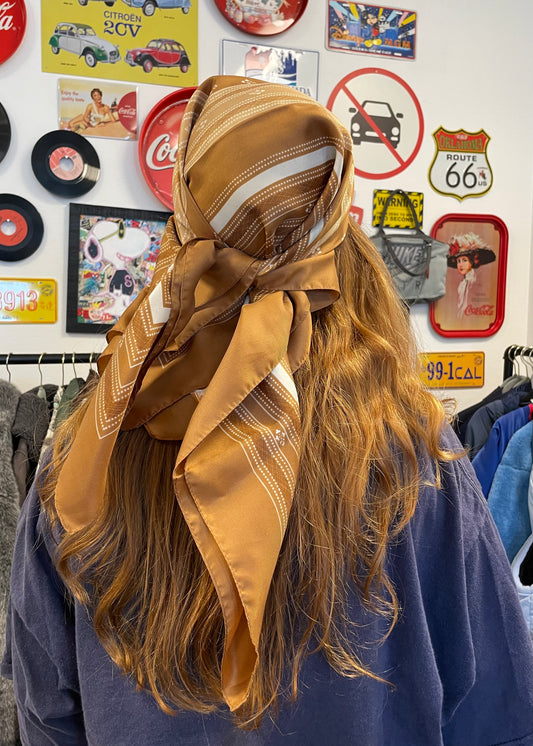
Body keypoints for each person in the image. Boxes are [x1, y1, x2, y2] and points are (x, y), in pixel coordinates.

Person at [2, 76, 533, 744]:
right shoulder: (414, 455)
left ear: (183, 219)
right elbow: (495, 710)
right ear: (337, 237)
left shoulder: (85, 455)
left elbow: (47, 712)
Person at [446, 232, 496, 317]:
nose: (461, 264)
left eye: (464, 260)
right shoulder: (463, 283)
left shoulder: (474, 281)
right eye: (458, 261)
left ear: (472, 261)